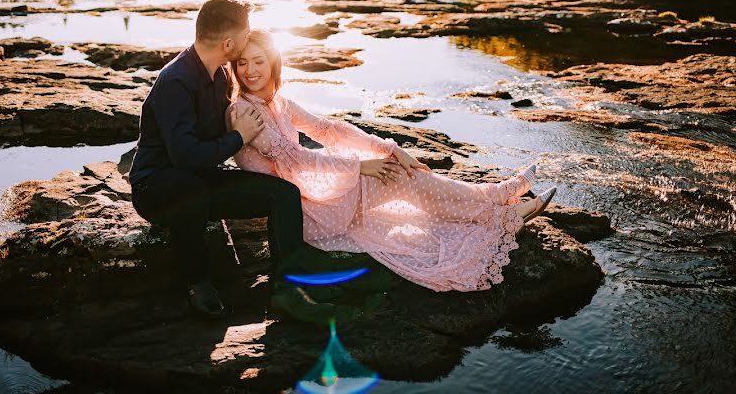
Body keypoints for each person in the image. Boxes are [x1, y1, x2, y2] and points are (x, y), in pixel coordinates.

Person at [227, 30, 557, 293]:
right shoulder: (243, 110)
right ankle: (501, 205)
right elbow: (295, 160)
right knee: (396, 177)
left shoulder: (278, 102)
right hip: (306, 212)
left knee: (398, 171)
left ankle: (498, 200)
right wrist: (360, 167)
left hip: (315, 196)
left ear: (273, 62)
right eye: (242, 63)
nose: (250, 70)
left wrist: (389, 148)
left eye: (258, 61)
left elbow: (329, 129)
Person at [128, 0, 329, 319]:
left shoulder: (220, 75)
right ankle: (198, 282)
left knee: (283, 194)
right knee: (187, 187)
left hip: (201, 179)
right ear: (228, 43)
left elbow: (241, 119)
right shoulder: (175, 81)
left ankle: (286, 291)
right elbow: (184, 156)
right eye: (246, 33)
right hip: (157, 189)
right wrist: (238, 137)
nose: (249, 38)